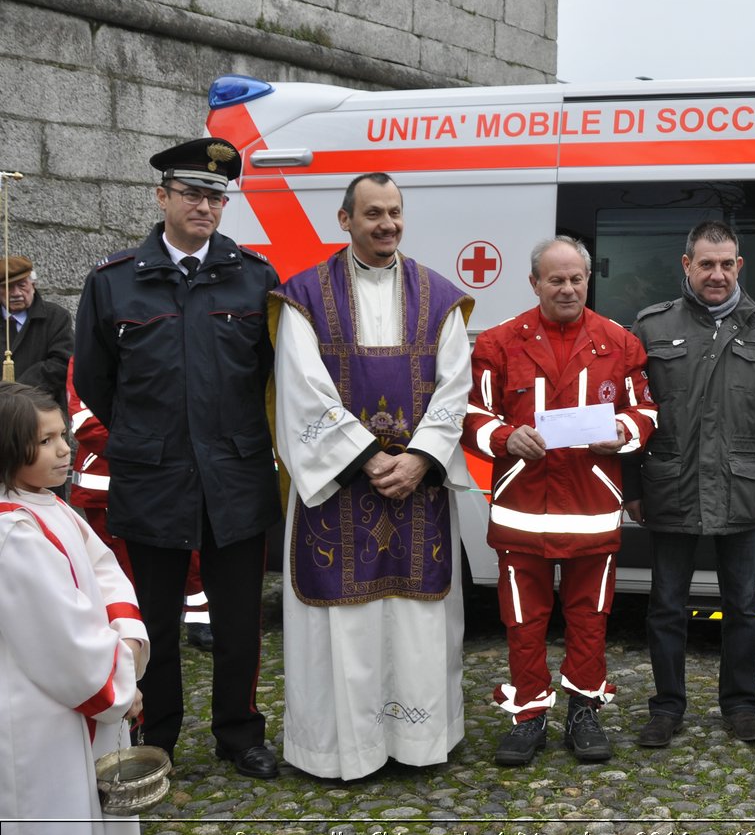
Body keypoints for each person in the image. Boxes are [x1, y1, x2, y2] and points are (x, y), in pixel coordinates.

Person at [73, 137, 282, 779]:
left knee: (239, 622)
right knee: (155, 621)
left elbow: (272, 377)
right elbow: (97, 383)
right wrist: (153, 437)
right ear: (161, 195)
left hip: (236, 477)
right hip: (153, 476)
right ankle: (156, 734)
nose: (206, 206)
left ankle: (239, 734)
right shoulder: (113, 283)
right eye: (192, 193)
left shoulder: (255, 277)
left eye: (217, 196)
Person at [270, 172, 474, 780]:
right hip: (339, 492)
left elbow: (454, 388)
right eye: (373, 213)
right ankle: (342, 750)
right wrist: (365, 457)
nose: (387, 224)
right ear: (345, 220)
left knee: (414, 625)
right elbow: (301, 389)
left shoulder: (440, 298)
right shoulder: (303, 296)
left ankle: (416, 742)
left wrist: (419, 459)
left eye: (395, 212)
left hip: (418, 487)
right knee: (345, 625)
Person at [463, 236, 656, 765]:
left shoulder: (620, 342)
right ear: (534, 283)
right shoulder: (497, 344)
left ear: (587, 281)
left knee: (590, 617)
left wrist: (621, 429)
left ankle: (584, 711)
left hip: (592, 510)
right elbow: (471, 418)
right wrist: (504, 438)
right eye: (556, 279)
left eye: (576, 279)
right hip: (521, 514)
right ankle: (528, 715)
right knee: (522, 621)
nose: (567, 288)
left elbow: (647, 413)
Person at [628, 221, 755, 747]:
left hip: (742, 485)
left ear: (739, 266)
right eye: (706, 264)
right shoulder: (651, 327)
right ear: (687, 265)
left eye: (726, 264)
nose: (717, 274)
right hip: (670, 484)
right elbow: (635, 413)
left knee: (744, 607)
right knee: (666, 606)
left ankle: (741, 706)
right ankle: (666, 708)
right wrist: (631, 486)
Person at [0, 381, 147, 835]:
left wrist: (126, 641)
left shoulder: (49, 503)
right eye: (44, 441)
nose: (65, 450)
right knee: (54, 830)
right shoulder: (13, 534)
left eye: (62, 435)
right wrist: (119, 683)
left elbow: (105, 571)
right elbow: (58, 636)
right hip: (44, 714)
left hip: (82, 694)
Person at [66, 358, 212, 650]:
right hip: (107, 485)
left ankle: (199, 620)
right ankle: (129, 629)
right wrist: (139, 451)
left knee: (187, 555)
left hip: (164, 478)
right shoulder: (86, 356)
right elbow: (85, 421)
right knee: (118, 565)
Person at [2, 255, 73, 415]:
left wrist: (18, 390)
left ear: (33, 284)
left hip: (42, 410)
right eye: (7, 287)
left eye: (22, 285)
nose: (16, 293)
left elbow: (63, 362)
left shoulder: (56, 316)